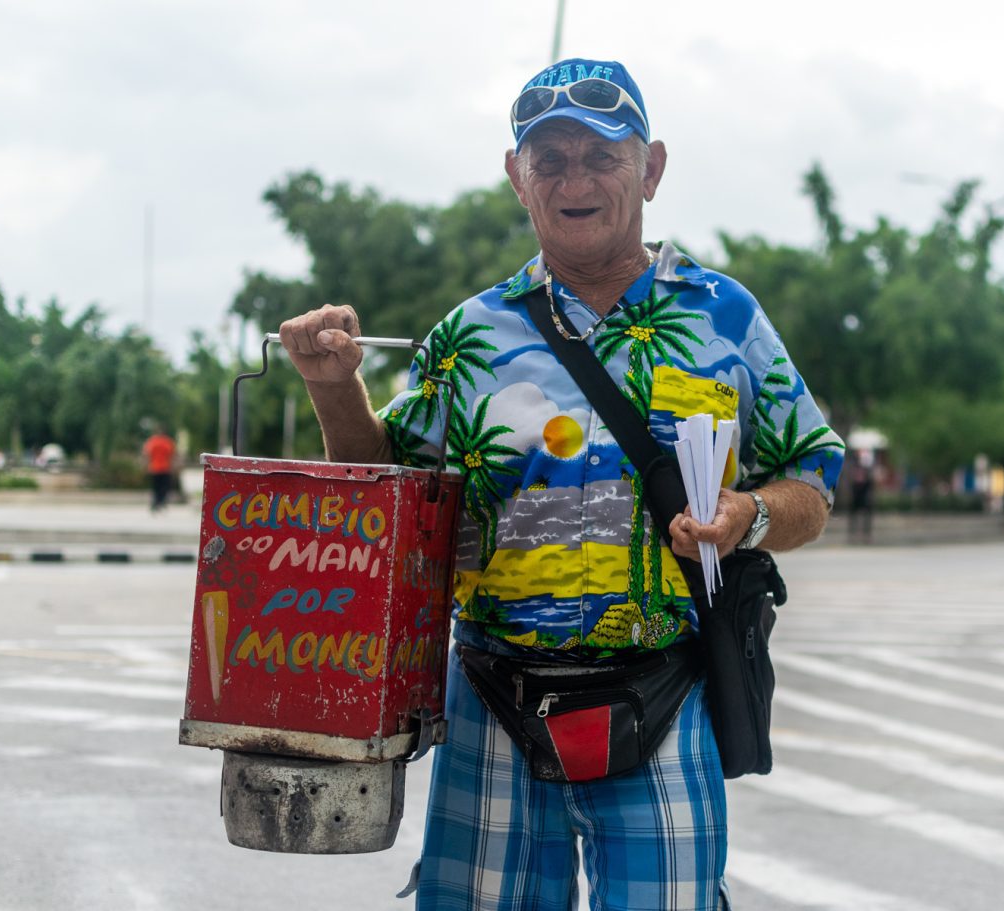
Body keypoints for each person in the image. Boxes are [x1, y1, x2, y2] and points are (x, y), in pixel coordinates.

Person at [280, 58, 845, 910]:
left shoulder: (726, 318)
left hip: (664, 691)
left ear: (650, 169)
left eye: (601, 156)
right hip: (491, 699)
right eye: (550, 160)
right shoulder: (469, 335)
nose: (574, 179)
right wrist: (331, 385)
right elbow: (384, 493)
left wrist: (748, 516)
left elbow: (814, 477)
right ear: (518, 178)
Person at [141, 426, 176, 512]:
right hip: (164, 468)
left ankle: (156, 502)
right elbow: (172, 455)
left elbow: (146, 454)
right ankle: (160, 502)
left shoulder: (152, 441)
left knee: (156, 487)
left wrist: (145, 466)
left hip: (155, 468)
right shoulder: (168, 442)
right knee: (163, 487)